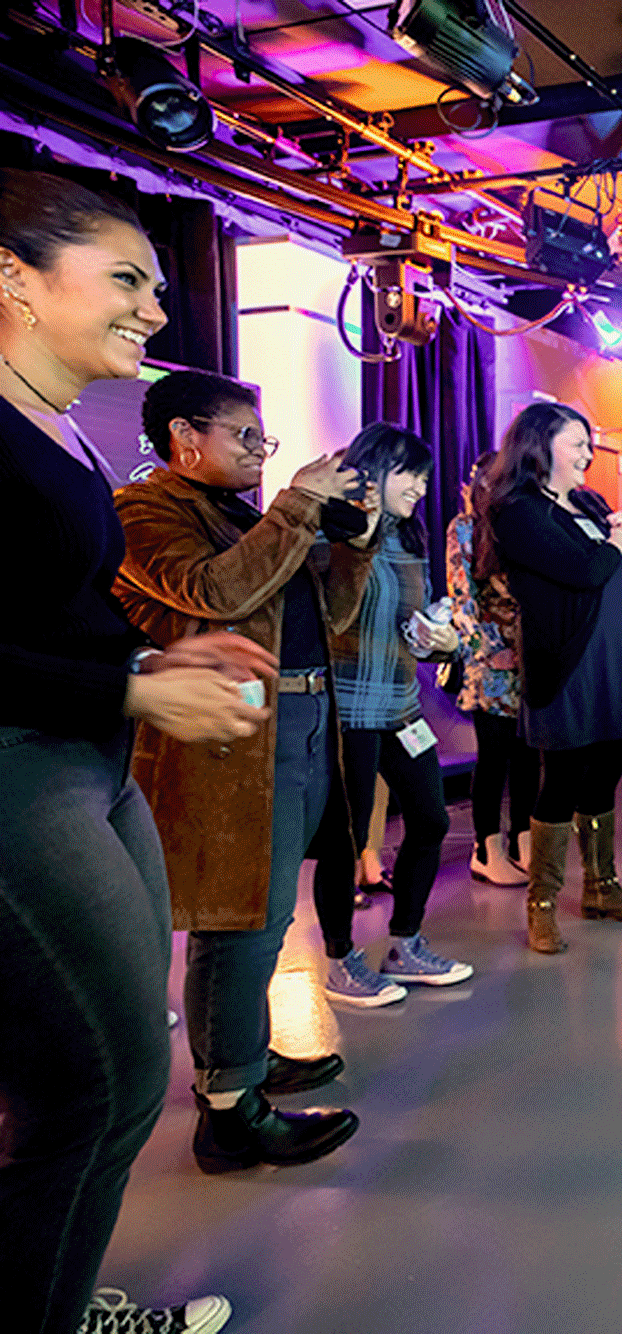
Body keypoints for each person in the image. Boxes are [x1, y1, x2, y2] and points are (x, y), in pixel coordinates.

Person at [0, 168, 258, 1334]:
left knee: (99, 1081)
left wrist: (161, 661)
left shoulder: (54, 423)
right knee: (97, 1086)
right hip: (19, 769)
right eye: (125, 281)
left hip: (86, 757)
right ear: (15, 279)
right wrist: (134, 682)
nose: (154, 310)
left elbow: (41, 607)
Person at [116, 367, 367, 1174]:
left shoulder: (239, 515)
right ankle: (229, 1112)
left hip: (291, 720)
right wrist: (295, 507)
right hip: (228, 736)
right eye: (246, 435)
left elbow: (329, 617)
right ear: (186, 438)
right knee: (238, 918)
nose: (261, 451)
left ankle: (244, 1061)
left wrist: (350, 544)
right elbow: (213, 594)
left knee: (263, 912)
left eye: (266, 438)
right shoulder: (144, 510)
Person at [479, 401, 622, 952]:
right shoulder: (518, 510)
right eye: (577, 442)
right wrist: (619, 540)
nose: (588, 452)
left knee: (607, 771)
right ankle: (542, 904)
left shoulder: (586, 501)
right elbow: (586, 570)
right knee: (561, 778)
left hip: (621, 657)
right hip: (570, 660)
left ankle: (602, 887)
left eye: (587, 442)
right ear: (540, 447)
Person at [309, 423, 472, 1003]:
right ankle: (340, 959)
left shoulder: (411, 537)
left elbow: (412, 622)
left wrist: (440, 638)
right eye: (411, 475)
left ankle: (405, 943)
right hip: (347, 710)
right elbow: (328, 617)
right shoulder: (331, 531)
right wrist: (361, 532)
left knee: (430, 821)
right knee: (344, 840)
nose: (422, 488)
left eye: (426, 478)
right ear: (372, 470)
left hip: (403, 707)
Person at [446, 456, 536, 887]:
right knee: (494, 756)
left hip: (528, 658)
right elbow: (461, 599)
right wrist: (488, 650)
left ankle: (524, 839)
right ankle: (486, 847)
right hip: (491, 663)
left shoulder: (518, 527)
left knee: (527, 754)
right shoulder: (464, 528)